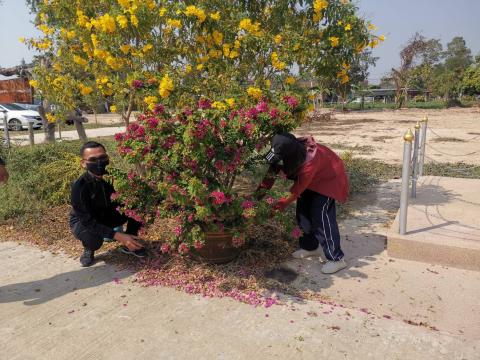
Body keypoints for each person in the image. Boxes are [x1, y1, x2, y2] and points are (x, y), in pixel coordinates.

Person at [256, 133, 349, 274]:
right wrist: (256, 197)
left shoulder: (310, 160)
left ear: (291, 158)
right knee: (303, 213)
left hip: (329, 179)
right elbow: (270, 175)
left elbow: (296, 190)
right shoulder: (284, 151)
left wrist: (279, 205)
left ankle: (336, 258)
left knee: (321, 217)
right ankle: (309, 247)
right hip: (311, 181)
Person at [70, 141, 147, 267]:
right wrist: (117, 235)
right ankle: (89, 248)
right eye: (93, 159)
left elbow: (128, 199)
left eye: (102, 158)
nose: (99, 163)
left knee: (138, 204)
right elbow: (87, 221)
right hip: (84, 221)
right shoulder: (80, 187)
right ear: (83, 163)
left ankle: (130, 243)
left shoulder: (114, 177)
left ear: (108, 158)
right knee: (93, 239)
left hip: (107, 214)